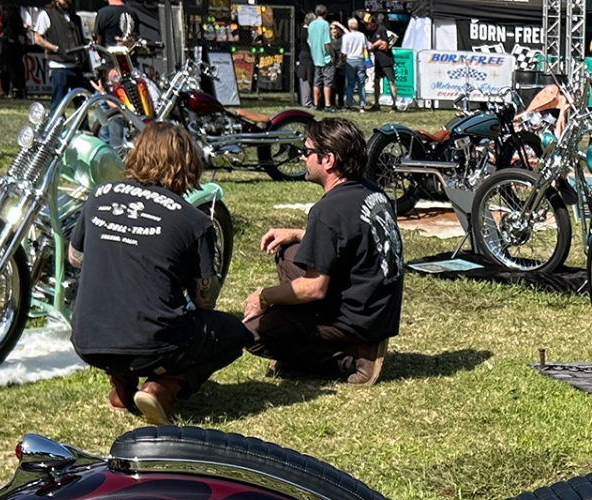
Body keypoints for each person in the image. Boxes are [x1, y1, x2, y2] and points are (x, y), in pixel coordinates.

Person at [67, 122, 249, 424]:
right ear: (188, 164)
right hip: (153, 344)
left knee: (124, 312)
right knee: (234, 333)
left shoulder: (99, 195)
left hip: (88, 340)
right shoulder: (195, 221)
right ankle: (162, 387)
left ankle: (121, 387)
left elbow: (75, 258)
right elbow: (205, 301)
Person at [244, 117, 402, 386]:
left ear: (328, 160)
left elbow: (314, 288)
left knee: (251, 334)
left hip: (358, 317)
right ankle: (303, 336)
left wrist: (263, 296)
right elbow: (351, 238)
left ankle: (354, 356)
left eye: (307, 152)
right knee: (288, 252)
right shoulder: (370, 191)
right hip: (378, 305)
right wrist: (297, 234)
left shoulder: (328, 210)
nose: (302, 158)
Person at [31, 0, 85, 109]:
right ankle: (56, 121)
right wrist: (56, 49)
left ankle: (81, 122)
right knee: (58, 105)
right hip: (59, 67)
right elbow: (37, 38)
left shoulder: (75, 18)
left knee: (82, 105)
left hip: (76, 67)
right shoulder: (47, 14)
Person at [366, 13, 397, 111]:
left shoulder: (381, 29)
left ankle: (394, 105)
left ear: (373, 23)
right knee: (376, 82)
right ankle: (376, 104)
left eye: (368, 24)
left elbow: (384, 43)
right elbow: (372, 44)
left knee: (391, 82)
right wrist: (376, 44)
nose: (366, 26)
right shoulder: (369, 32)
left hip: (386, 60)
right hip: (377, 60)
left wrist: (374, 45)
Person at [305, 5, 331, 110]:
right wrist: (331, 54)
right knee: (327, 82)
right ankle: (327, 105)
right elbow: (327, 42)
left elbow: (309, 41)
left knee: (316, 82)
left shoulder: (311, 24)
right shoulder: (325, 24)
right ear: (325, 13)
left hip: (315, 57)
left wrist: (314, 50)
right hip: (325, 58)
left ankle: (315, 104)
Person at [339, 16, 365, 109]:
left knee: (350, 84)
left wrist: (342, 60)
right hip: (360, 59)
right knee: (361, 84)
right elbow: (365, 47)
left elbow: (344, 51)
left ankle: (349, 104)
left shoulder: (346, 36)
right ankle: (362, 104)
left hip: (350, 60)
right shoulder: (362, 35)